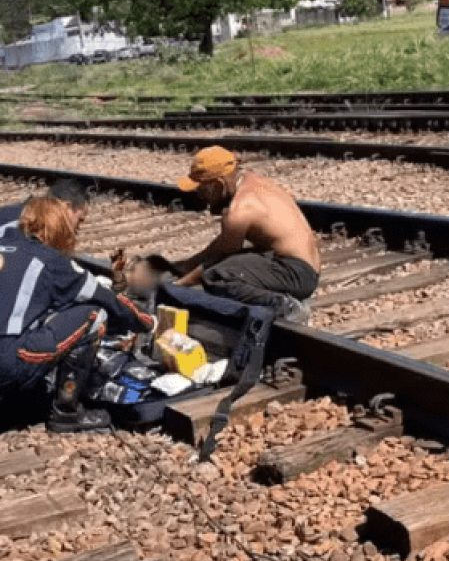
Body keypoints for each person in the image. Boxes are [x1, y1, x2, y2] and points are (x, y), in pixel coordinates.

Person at [0, 197, 154, 433]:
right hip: (8, 362)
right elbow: (106, 298)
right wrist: (148, 322)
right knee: (93, 316)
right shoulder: (51, 261)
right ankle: (66, 412)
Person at [169, 146, 321, 323]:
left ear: (219, 184)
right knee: (232, 265)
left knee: (217, 277)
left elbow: (219, 258)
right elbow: (222, 245)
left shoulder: (240, 210)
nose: (200, 196)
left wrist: (177, 286)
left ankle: (288, 308)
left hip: (297, 274)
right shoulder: (252, 180)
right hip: (303, 268)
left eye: (202, 189)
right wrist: (185, 266)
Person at [0, 179, 90, 238]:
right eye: (79, 220)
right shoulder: (40, 233)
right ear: (66, 207)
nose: (78, 228)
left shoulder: (9, 212)